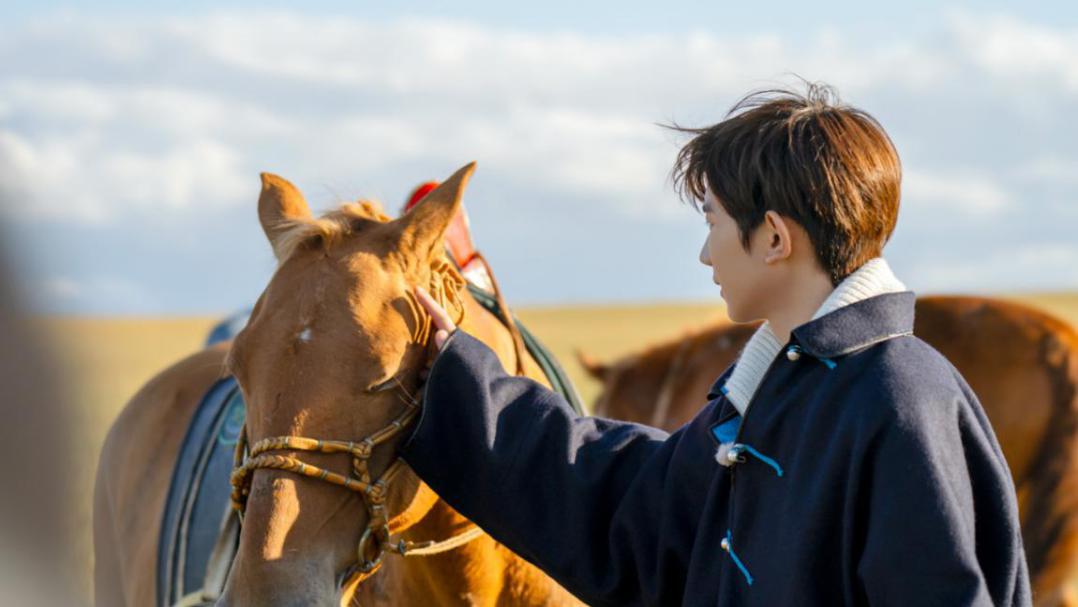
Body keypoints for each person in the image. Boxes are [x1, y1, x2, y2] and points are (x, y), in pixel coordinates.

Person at [400, 83, 1032, 606]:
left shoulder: (900, 402)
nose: (706, 253)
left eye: (713, 222)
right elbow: (631, 507)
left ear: (775, 239)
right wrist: (456, 373)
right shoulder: (780, 392)